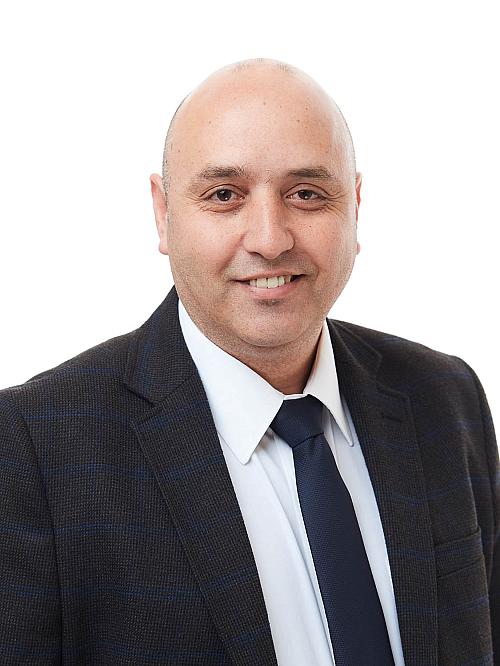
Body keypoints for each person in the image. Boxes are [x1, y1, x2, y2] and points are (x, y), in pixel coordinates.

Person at [0, 57, 498, 666]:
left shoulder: (445, 397)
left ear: (355, 206)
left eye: (306, 194)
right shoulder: (32, 448)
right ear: (163, 213)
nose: (269, 238)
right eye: (224, 195)